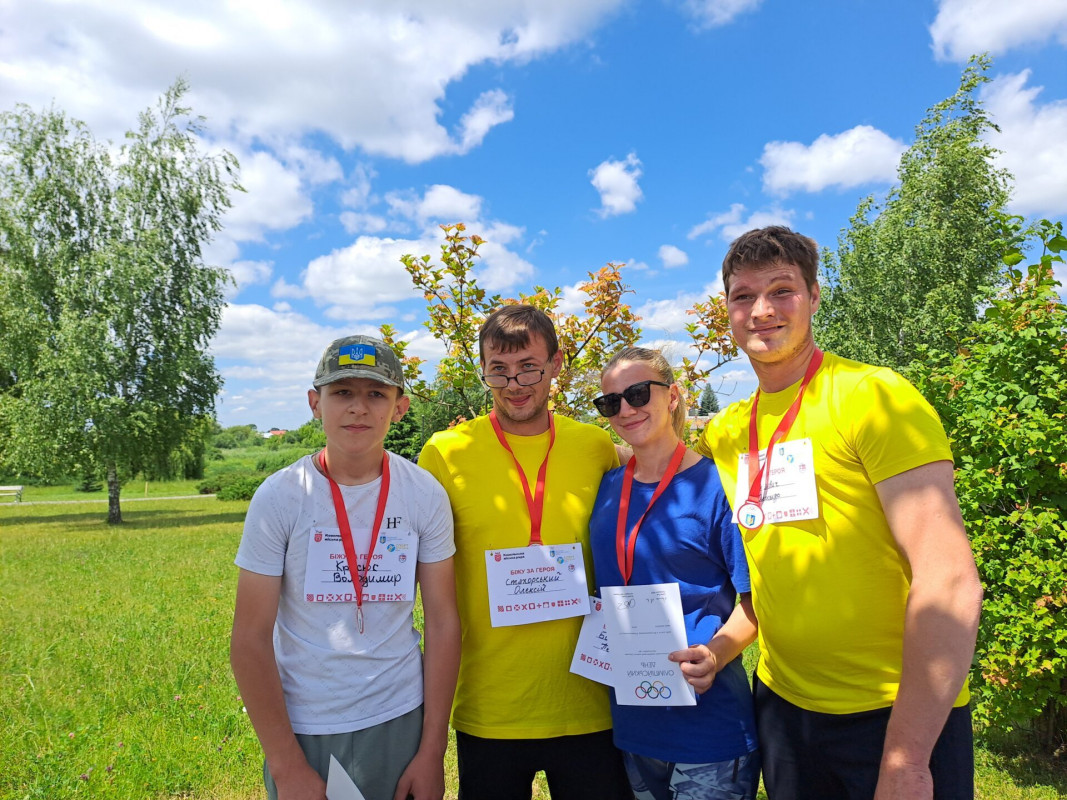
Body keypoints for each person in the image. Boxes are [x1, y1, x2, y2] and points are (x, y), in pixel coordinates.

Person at [697, 226, 983, 800]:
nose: (761, 311)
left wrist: (906, 763)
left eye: (782, 291)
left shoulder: (872, 398)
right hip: (783, 709)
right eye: (743, 296)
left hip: (893, 713)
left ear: (815, 297)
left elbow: (950, 579)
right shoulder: (727, 431)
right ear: (727, 309)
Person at [230, 334, 461, 800]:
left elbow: (442, 622)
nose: (359, 408)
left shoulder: (425, 494)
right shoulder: (280, 496)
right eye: (343, 393)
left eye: (376, 393)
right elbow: (249, 638)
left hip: (400, 717)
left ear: (400, 407)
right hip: (305, 724)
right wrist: (287, 765)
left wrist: (432, 750)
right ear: (315, 403)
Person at [418, 305, 632, 800]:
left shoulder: (595, 445)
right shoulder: (445, 453)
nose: (515, 383)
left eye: (529, 367)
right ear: (484, 371)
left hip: (589, 701)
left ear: (557, 365)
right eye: (498, 370)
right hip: (490, 707)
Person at [588, 346, 761, 800]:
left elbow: (756, 603)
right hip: (633, 726)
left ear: (673, 396)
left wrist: (717, 654)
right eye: (611, 402)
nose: (625, 409)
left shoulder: (717, 486)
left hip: (708, 726)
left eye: (639, 393)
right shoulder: (607, 487)